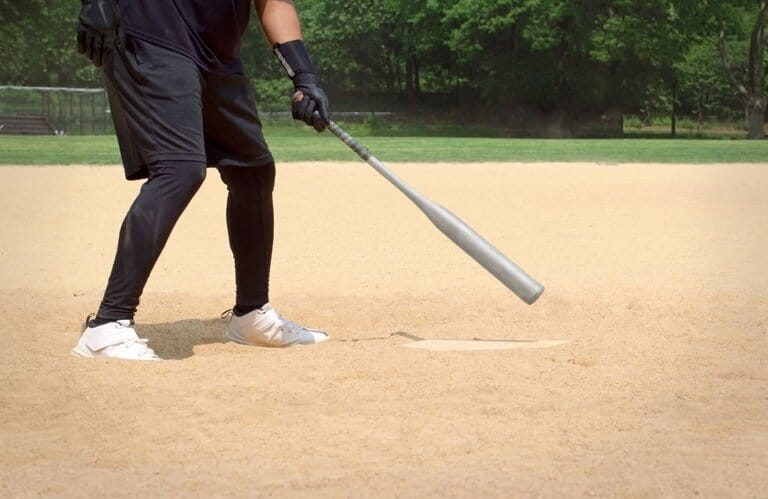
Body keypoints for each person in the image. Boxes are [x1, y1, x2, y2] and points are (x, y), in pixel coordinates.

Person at [72, 0, 331, 361]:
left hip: (216, 52)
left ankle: (252, 314)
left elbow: (274, 2)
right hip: (148, 32)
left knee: (253, 170)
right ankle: (107, 324)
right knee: (179, 167)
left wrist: (305, 76)